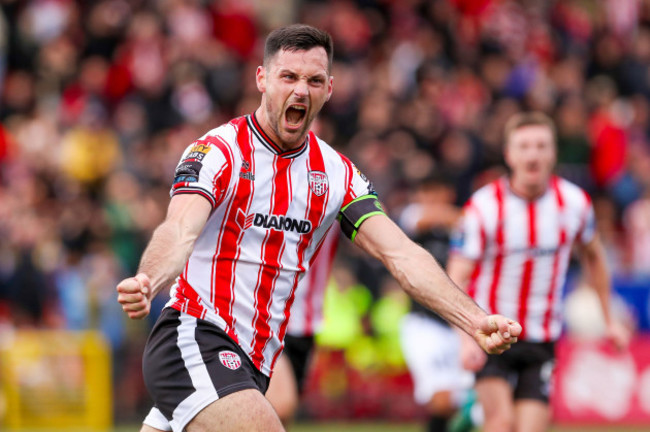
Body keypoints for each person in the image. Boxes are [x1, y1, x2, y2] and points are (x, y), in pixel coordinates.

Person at [116, 24, 522, 432]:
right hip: (194, 336)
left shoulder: (337, 174)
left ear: (329, 89)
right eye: (288, 77)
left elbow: (401, 253)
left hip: (255, 360)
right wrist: (149, 278)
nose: (300, 90)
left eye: (313, 80)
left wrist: (474, 320)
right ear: (262, 79)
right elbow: (180, 229)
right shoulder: (218, 150)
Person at [446, 111, 631, 432]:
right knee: (501, 423)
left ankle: (469, 418)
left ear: (553, 153)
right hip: (491, 333)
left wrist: (609, 318)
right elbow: (456, 275)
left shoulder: (574, 204)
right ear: (509, 154)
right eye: (525, 146)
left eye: (541, 145)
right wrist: (464, 339)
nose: (533, 154)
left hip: (542, 336)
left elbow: (595, 257)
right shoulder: (484, 206)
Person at [398, 174, 477, 432]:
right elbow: (421, 217)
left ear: (448, 193)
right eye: (425, 194)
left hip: (457, 325)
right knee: (442, 402)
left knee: (464, 407)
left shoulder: (463, 230)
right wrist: (463, 218)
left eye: (435, 194)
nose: (429, 201)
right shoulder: (412, 218)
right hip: (424, 323)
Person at [265, 224, 339, 427]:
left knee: (282, 417)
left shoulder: (339, 192)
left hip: (306, 324)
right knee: (280, 405)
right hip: (266, 317)